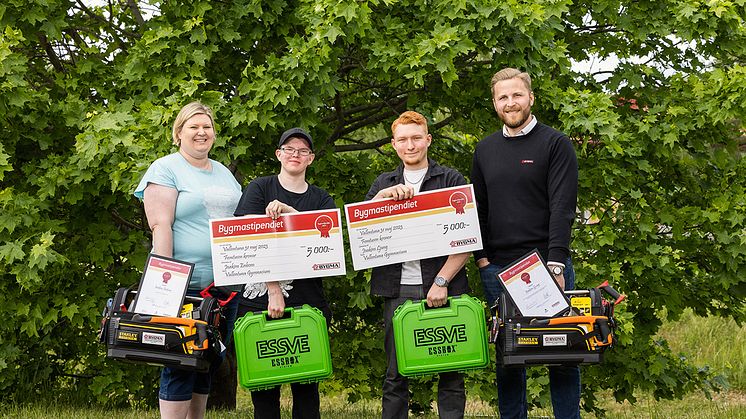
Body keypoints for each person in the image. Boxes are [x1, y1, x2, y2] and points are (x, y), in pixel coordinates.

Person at [471, 68, 580, 419]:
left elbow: (563, 207)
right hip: (498, 270)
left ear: (530, 98)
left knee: (561, 357)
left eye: (517, 95)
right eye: (503, 97)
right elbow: (478, 209)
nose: (510, 102)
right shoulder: (484, 150)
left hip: (546, 267)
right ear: (494, 103)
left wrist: (557, 262)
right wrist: (482, 259)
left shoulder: (555, 143)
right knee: (509, 360)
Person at [134, 101, 242, 419]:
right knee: (179, 361)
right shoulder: (165, 169)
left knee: (206, 360)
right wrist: (162, 284)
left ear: (214, 133)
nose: (201, 132)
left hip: (225, 287)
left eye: (206, 126)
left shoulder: (224, 173)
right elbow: (161, 225)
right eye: (193, 126)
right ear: (178, 133)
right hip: (184, 286)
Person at [365, 111, 471, 419]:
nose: (410, 145)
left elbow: (466, 238)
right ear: (394, 144)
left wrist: (442, 282)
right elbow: (364, 235)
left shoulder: (450, 179)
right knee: (396, 374)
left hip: (443, 287)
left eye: (415, 138)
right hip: (396, 290)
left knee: (451, 372)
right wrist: (382, 198)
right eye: (402, 140)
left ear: (428, 140)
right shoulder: (383, 183)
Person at [233, 127, 334, 419]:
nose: (295, 155)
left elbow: (325, 246)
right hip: (259, 300)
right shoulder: (260, 188)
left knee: (307, 390)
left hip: (308, 301)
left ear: (311, 159)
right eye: (289, 149)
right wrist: (274, 288)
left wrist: (291, 213)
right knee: (265, 391)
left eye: (302, 150)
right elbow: (249, 241)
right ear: (279, 154)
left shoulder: (321, 198)